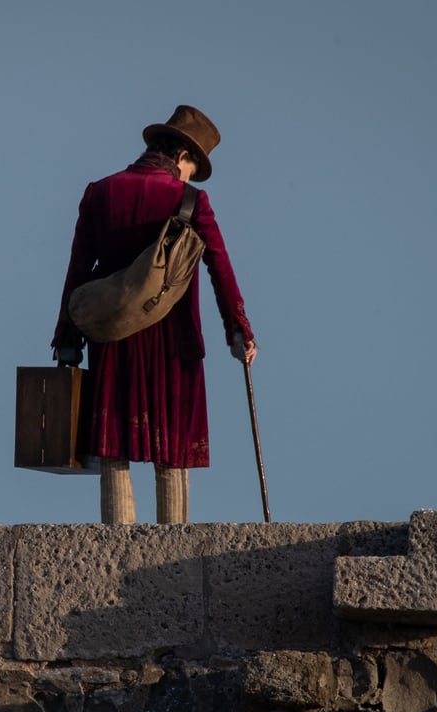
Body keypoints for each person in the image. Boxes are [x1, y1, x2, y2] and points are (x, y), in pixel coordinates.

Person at [51, 105, 257, 524]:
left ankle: (115, 544)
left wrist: (67, 336)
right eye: (192, 167)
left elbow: (76, 269)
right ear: (183, 156)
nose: (188, 176)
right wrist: (239, 330)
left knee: (113, 448)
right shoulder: (191, 201)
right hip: (173, 340)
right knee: (173, 452)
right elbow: (220, 266)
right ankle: (172, 550)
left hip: (113, 333)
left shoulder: (100, 191)